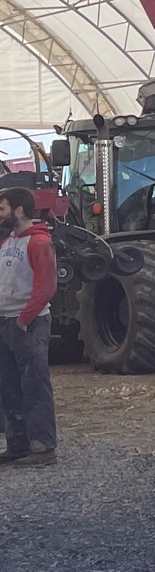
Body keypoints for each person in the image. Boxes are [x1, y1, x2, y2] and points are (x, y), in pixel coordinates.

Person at [0, 186, 57, 465]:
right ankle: (18, 445)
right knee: (9, 386)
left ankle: (42, 447)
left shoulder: (38, 243)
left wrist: (24, 319)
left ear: (19, 211)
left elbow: (46, 286)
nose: (0, 215)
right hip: (7, 322)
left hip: (28, 324)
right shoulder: (8, 242)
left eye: (2, 209)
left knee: (34, 385)